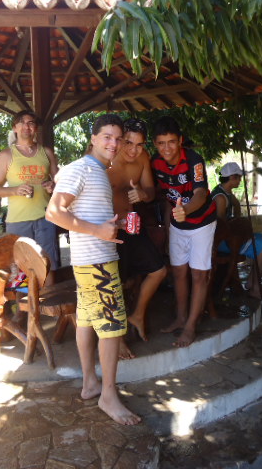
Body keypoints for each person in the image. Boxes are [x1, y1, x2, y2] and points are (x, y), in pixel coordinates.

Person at [46, 113, 141, 425]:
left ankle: (90, 383)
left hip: (91, 261)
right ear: (93, 139)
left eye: (118, 138)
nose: (113, 143)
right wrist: (98, 231)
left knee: (86, 321)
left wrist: (113, 225)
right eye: (107, 137)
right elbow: (53, 212)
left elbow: (86, 215)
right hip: (96, 262)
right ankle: (108, 396)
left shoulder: (98, 170)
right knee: (112, 327)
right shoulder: (82, 168)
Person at [151, 116, 217, 347]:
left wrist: (185, 210)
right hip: (177, 223)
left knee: (199, 274)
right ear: (155, 144)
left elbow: (200, 194)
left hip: (202, 222)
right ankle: (180, 318)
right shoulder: (154, 162)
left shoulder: (194, 160)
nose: (167, 148)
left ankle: (190, 326)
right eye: (161, 143)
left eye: (171, 142)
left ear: (180, 140)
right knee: (178, 272)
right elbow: (158, 193)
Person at [107, 118, 167, 355]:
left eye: (139, 145)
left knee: (159, 270)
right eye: (128, 143)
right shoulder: (105, 158)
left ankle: (138, 315)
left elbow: (150, 192)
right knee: (116, 284)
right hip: (109, 229)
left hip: (132, 224)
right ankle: (118, 337)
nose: (133, 150)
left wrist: (142, 193)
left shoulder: (142, 159)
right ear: (120, 140)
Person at [0, 111, 60, 283]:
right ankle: (24, 302)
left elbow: (60, 183)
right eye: (21, 123)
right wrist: (15, 190)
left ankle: (47, 300)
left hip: (45, 218)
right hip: (18, 221)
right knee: (20, 271)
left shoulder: (46, 152)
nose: (26, 127)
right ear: (15, 128)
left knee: (47, 266)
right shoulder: (6, 155)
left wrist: (53, 186)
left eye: (30, 123)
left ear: (35, 128)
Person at [211, 162, 262, 301]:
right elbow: (220, 229)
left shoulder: (227, 193)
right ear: (232, 177)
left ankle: (252, 282)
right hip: (222, 242)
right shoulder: (220, 198)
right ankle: (255, 289)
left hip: (232, 237)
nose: (240, 180)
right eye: (239, 177)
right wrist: (239, 229)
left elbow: (236, 211)